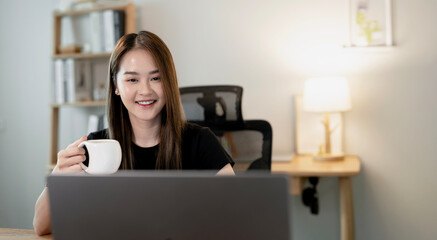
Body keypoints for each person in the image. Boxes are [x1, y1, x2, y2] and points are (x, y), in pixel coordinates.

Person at [33, 31, 235, 236]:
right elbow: (41, 226)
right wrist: (58, 176)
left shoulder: (200, 142)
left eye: (156, 78)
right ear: (115, 86)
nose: (145, 90)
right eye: (132, 80)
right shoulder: (95, 147)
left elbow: (237, 214)